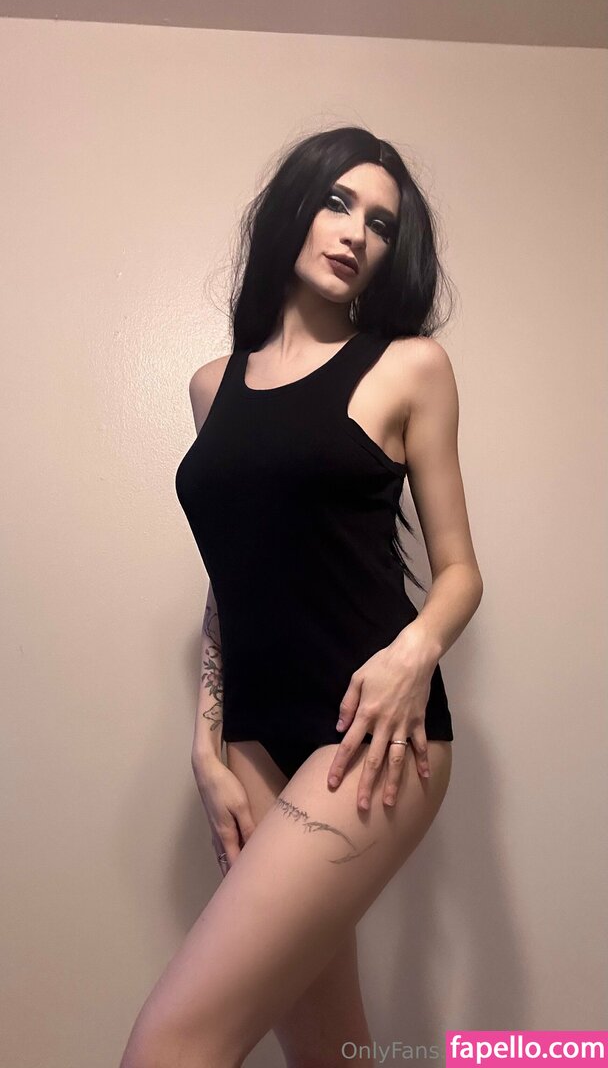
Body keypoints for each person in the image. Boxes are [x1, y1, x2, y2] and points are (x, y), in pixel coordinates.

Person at [120, 126, 483, 1068]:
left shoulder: (409, 367)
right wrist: (205, 741)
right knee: (330, 1051)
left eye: (381, 224)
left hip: (371, 730)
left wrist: (412, 656)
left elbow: (459, 571)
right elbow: (232, 574)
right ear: (292, 208)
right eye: (337, 203)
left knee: (170, 1044)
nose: (357, 233)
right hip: (252, 741)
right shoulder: (212, 387)